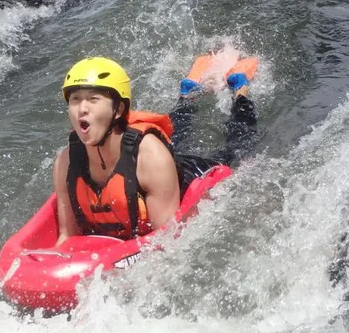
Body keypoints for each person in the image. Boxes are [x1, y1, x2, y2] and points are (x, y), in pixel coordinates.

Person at [53, 56, 257, 245]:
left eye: (93, 99)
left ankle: (240, 91)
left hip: (188, 173)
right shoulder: (66, 162)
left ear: (119, 110)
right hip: (149, 165)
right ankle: (187, 94)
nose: (82, 109)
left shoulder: (152, 159)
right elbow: (66, 237)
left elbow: (166, 243)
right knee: (176, 136)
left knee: (238, 148)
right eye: (75, 99)